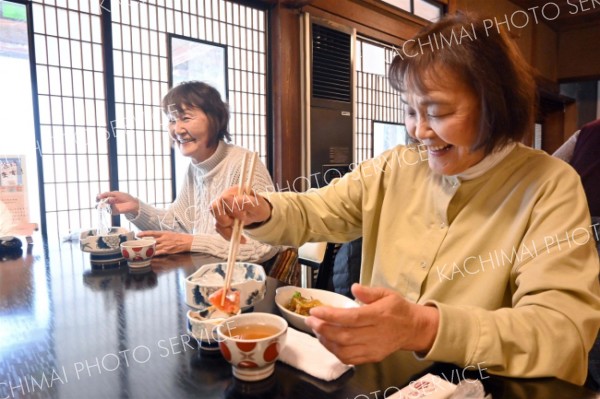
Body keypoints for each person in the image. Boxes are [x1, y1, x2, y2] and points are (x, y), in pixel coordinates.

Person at [212, 13, 600, 385]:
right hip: (378, 378)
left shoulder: (548, 185)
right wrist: (262, 209)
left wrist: (423, 327)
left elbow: (560, 331)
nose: (420, 131)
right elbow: (316, 210)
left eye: (438, 111)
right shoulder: (396, 167)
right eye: (410, 110)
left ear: (496, 105)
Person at [98, 81, 278, 263]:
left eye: (186, 118)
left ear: (214, 119)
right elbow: (179, 224)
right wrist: (136, 208)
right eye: (171, 120)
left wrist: (193, 242)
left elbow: (265, 246)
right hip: (206, 274)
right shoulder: (195, 168)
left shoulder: (244, 164)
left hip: (245, 282)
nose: (177, 130)